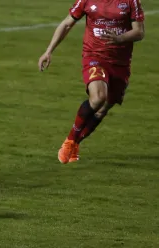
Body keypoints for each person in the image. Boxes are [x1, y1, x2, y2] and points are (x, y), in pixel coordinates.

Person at [38, 0, 145, 164]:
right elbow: (67, 23)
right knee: (98, 97)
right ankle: (70, 140)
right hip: (94, 56)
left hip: (120, 63)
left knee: (102, 110)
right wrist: (48, 51)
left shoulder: (131, 1)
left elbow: (139, 32)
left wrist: (120, 38)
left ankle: (75, 144)